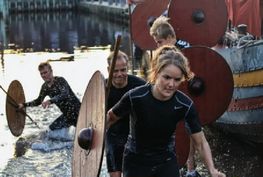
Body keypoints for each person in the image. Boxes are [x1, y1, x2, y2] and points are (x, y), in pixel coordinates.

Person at [107, 45, 226, 177]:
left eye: (177, 80)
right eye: (167, 77)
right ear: (157, 73)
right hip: (136, 163)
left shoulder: (184, 105)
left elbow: (201, 142)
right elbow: (110, 118)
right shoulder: (135, 97)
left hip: (166, 162)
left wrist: (212, 170)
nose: (171, 84)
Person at [149, 15, 200, 177]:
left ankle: (190, 166)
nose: (157, 46)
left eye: (159, 42)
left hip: (186, 93)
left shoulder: (184, 49)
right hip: (170, 95)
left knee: (189, 129)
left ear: (170, 38)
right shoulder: (163, 53)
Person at [106, 50, 146, 177]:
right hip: (113, 134)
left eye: (123, 70)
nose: (119, 74)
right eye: (115, 71)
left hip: (134, 135)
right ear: (109, 69)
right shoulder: (102, 87)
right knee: (115, 174)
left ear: (127, 68)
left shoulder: (140, 86)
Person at [18, 61, 81, 131]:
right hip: (67, 116)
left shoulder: (60, 81)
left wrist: (50, 101)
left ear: (51, 71)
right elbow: (38, 101)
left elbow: (64, 94)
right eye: (41, 74)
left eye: (45, 72)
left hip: (79, 112)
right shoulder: (45, 87)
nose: (43, 75)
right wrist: (24, 105)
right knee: (49, 132)